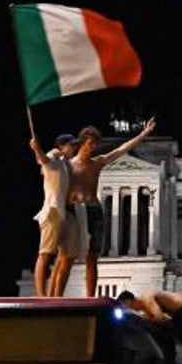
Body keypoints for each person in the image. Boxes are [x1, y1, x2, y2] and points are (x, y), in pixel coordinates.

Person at [57, 117, 157, 298]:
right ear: (80, 144)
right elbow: (49, 167)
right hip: (76, 211)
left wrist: (144, 133)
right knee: (67, 257)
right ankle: (56, 296)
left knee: (92, 258)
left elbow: (121, 149)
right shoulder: (68, 165)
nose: (91, 148)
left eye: (94, 145)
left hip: (94, 210)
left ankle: (89, 297)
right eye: (89, 144)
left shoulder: (97, 163)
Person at [29, 133, 79, 296]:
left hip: (64, 213)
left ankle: (56, 294)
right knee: (45, 254)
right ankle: (41, 295)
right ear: (62, 146)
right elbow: (44, 160)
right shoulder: (53, 157)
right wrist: (37, 149)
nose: (75, 148)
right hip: (52, 211)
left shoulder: (63, 163)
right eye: (72, 145)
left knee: (67, 255)